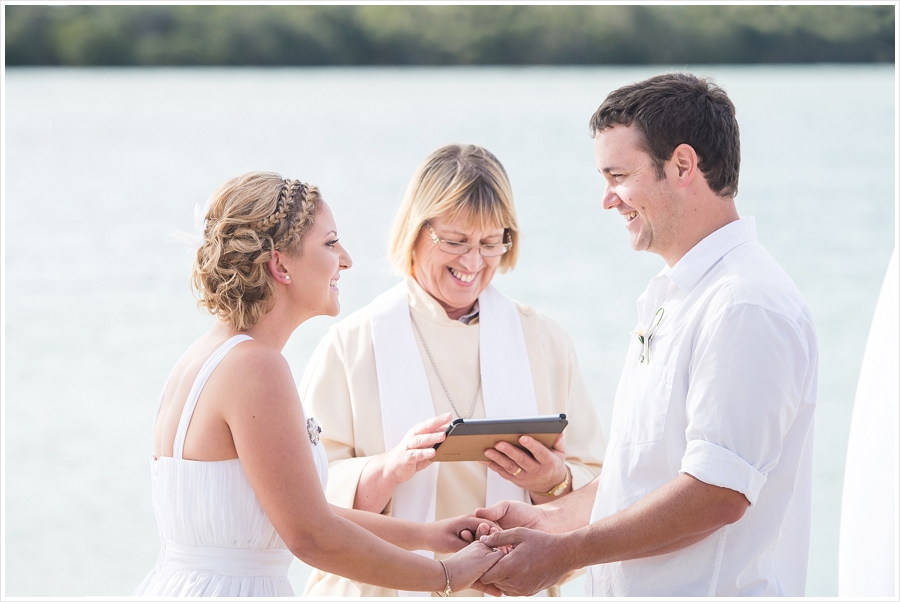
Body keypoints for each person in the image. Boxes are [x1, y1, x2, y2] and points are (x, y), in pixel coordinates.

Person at [476, 73, 818, 596]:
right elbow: (649, 478)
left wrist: (567, 552)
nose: (607, 200)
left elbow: (717, 492)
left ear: (682, 165)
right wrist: (553, 521)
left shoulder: (745, 304)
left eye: (618, 175)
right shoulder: (675, 295)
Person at [134, 172, 506, 597]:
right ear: (280, 264)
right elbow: (310, 536)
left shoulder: (204, 356)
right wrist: (446, 577)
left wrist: (426, 535)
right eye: (330, 243)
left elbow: (300, 511)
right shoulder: (257, 366)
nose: (345, 259)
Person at [301, 144, 607, 596]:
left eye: (489, 243)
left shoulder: (543, 340)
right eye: (456, 241)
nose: (472, 263)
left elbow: (602, 488)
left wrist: (552, 481)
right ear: (415, 232)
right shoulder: (353, 343)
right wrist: (390, 470)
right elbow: (305, 504)